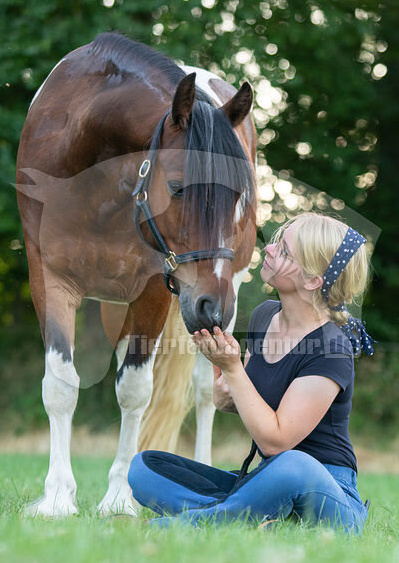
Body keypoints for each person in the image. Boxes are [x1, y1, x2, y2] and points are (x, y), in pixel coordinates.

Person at [128, 212, 376, 534]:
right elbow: (244, 401)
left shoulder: (331, 349)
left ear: (313, 280)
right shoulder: (265, 316)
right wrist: (225, 385)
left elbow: (275, 441)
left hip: (326, 492)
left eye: (284, 251)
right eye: (275, 243)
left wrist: (234, 369)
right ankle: (257, 516)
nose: (269, 250)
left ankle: (196, 523)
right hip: (266, 477)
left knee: (293, 464)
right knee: (144, 468)